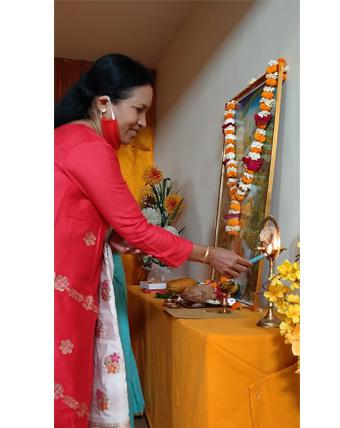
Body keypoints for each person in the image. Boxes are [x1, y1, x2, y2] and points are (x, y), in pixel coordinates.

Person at [54, 53, 251, 428]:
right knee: (61, 388)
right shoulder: (89, 146)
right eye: (139, 110)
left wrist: (107, 236)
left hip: (64, 287)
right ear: (103, 104)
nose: (143, 123)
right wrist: (210, 255)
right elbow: (139, 230)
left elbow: (69, 212)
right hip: (60, 295)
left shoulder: (67, 139)